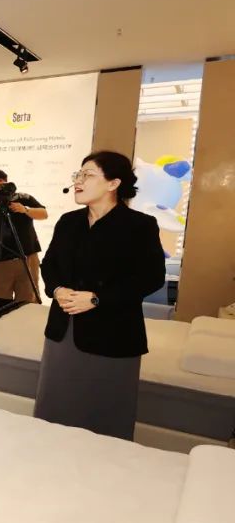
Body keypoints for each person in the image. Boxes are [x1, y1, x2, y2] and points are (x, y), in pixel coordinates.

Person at [34, 151, 165, 440]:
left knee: (105, 416)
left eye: (88, 175)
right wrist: (56, 289)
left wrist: (96, 299)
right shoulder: (68, 222)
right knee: (55, 409)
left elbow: (151, 278)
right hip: (63, 330)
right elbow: (49, 265)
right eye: (78, 175)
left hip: (113, 334)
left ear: (113, 183)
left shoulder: (140, 225)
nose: (78, 181)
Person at [0, 168, 47, 302]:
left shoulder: (22, 198)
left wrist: (25, 210)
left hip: (28, 258)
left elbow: (44, 214)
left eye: (3, 184)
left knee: (28, 301)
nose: (1, 188)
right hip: (0, 261)